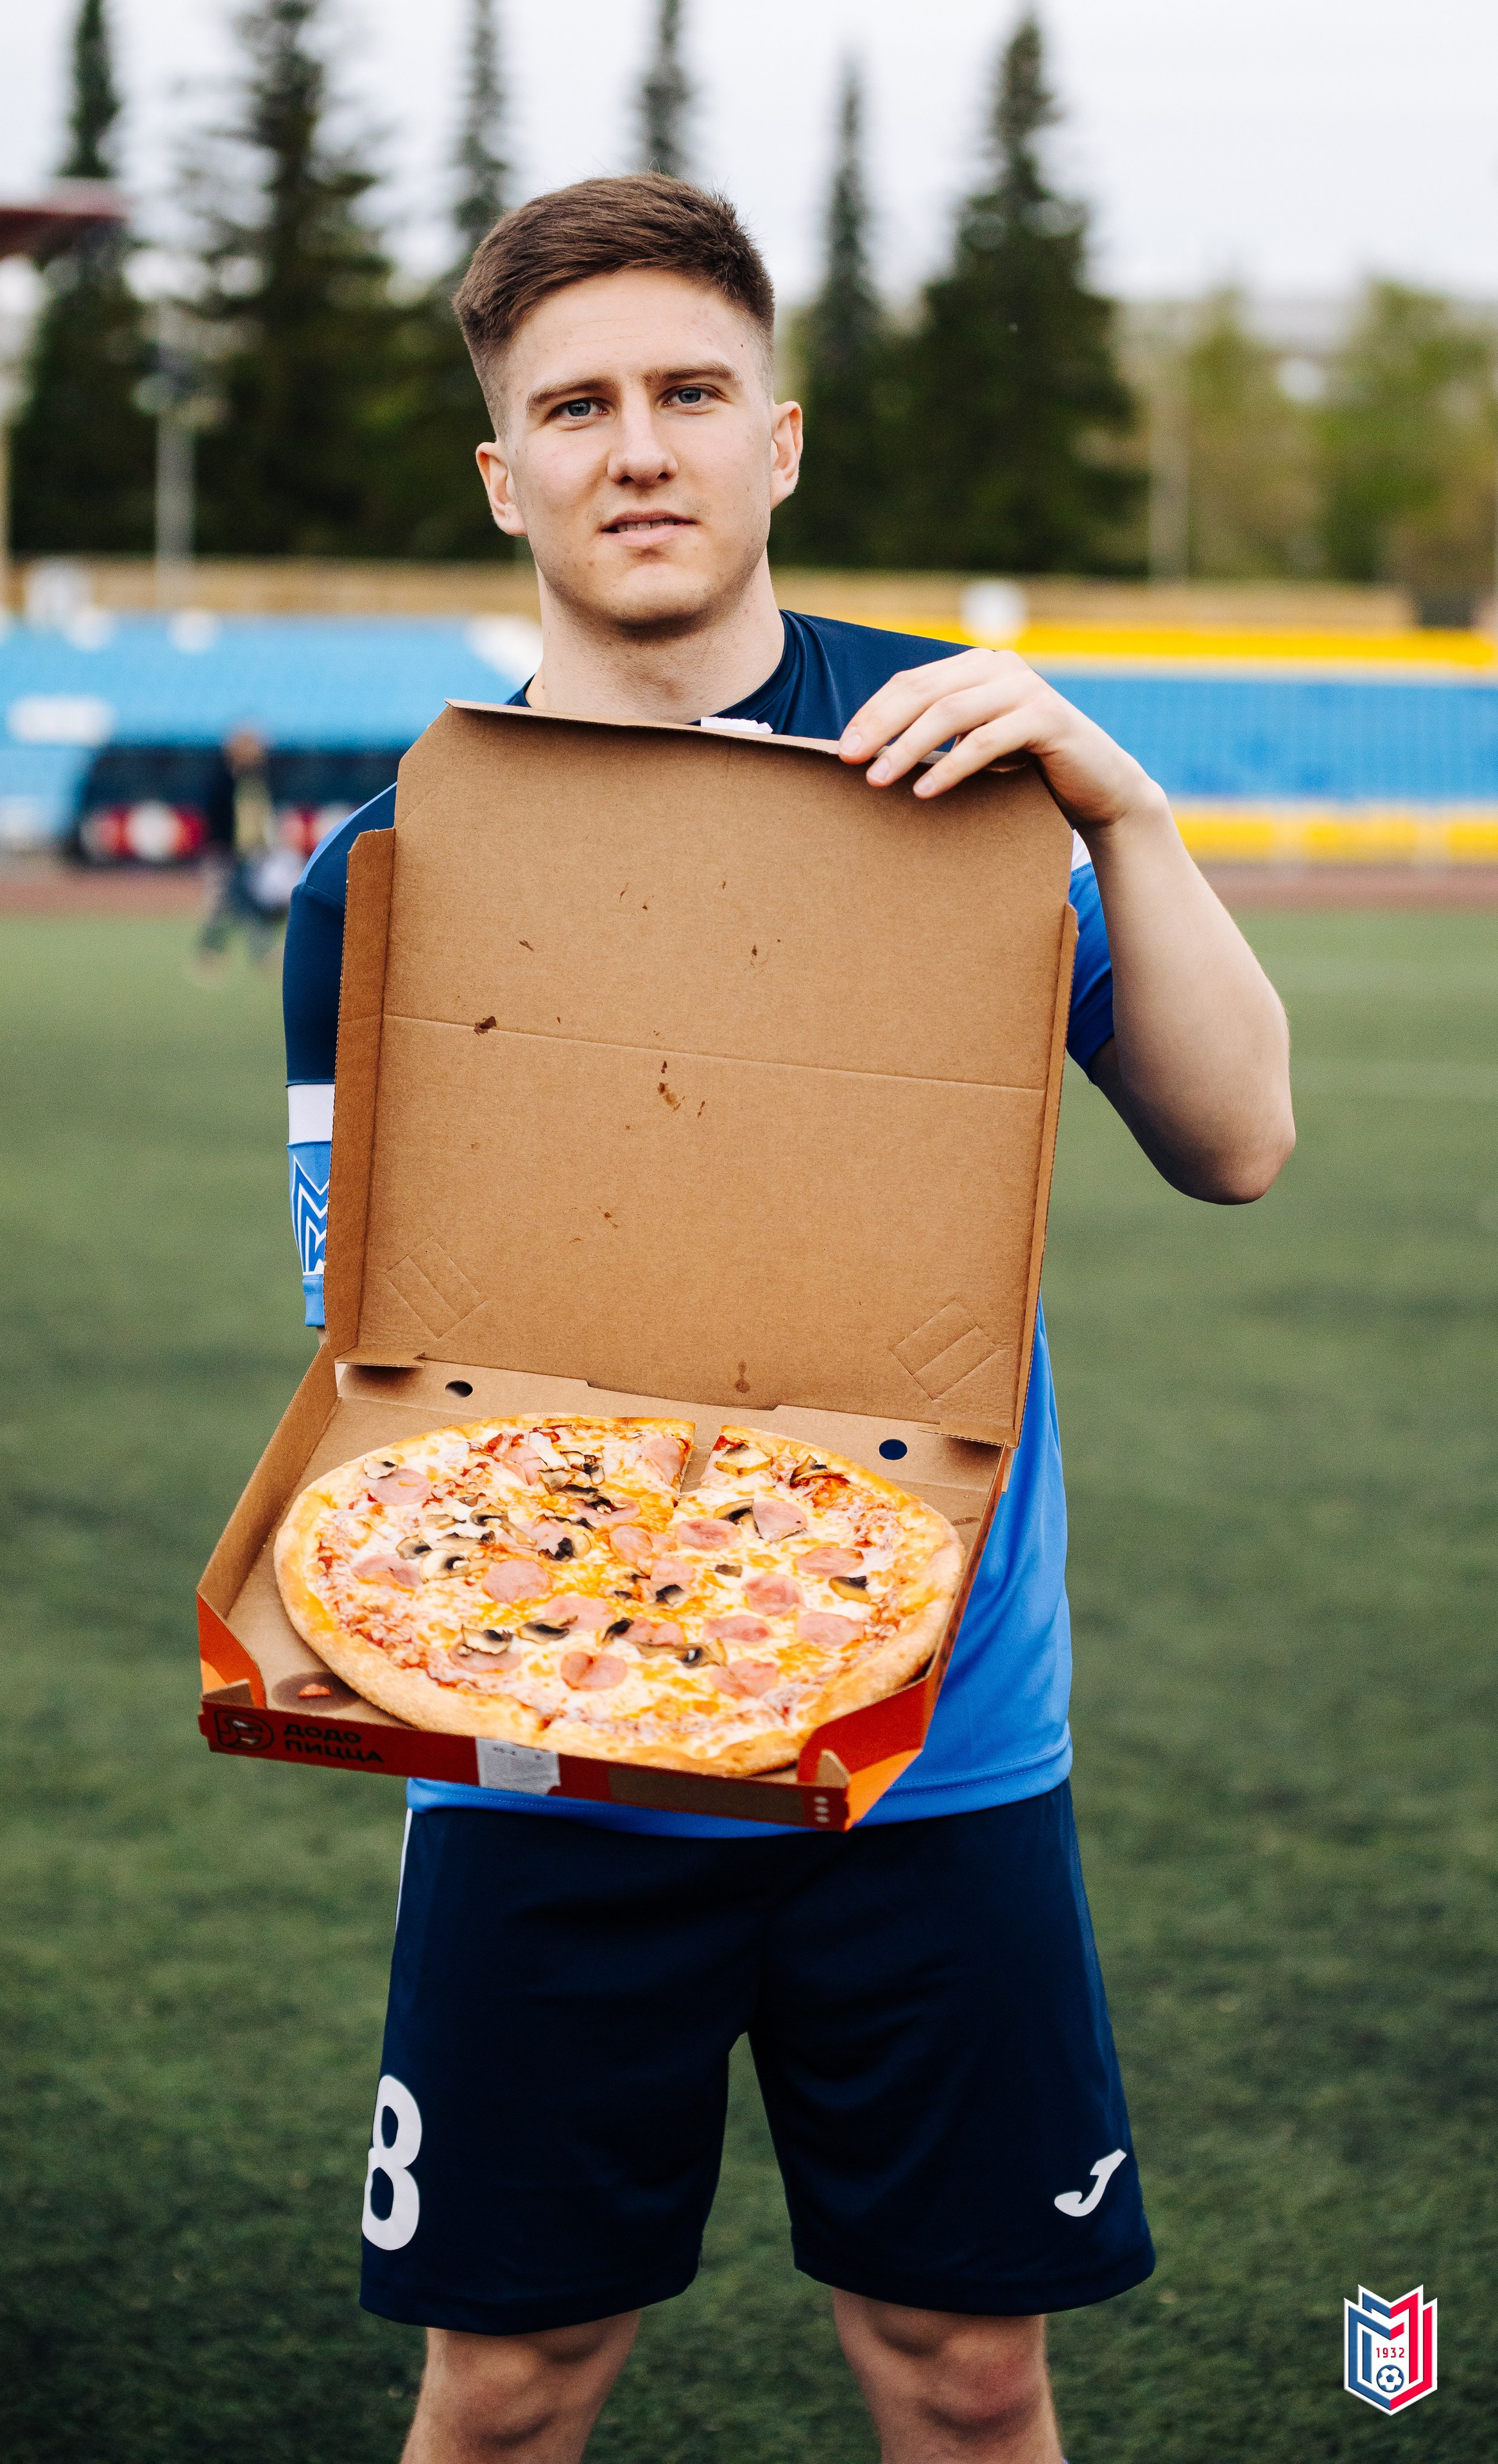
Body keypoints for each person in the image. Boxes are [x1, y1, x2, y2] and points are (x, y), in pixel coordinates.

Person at [280, 176, 1294, 2464]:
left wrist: (1113, 803)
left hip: (935, 1759)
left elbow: (1234, 1140)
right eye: (574, 406)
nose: (633, 447)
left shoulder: (961, 777)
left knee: (962, 2377)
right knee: (508, 2387)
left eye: (684, 393)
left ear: (778, 442)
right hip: (555, 1776)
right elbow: (382, 1358)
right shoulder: (391, 867)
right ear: (501, 471)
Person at [191, 725, 296, 977]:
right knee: (228, 905)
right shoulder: (223, 780)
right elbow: (218, 820)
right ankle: (214, 954)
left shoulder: (257, 779)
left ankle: (218, 955)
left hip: (251, 855)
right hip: (225, 854)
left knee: (242, 904)